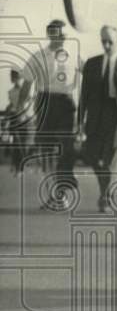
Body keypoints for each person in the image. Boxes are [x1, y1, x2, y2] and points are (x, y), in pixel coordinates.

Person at [21, 19, 81, 209]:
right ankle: (54, 194)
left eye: (65, 34)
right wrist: (20, 109)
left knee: (66, 148)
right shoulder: (38, 56)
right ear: (50, 35)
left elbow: (87, 81)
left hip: (66, 104)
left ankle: (61, 191)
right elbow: (26, 84)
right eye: (59, 34)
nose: (63, 38)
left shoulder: (74, 55)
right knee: (46, 151)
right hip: (45, 103)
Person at [78, 25, 117, 212]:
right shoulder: (92, 63)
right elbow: (84, 94)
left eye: (110, 42)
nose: (106, 45)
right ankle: (105, 192)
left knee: (108, 159)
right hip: (95, 118)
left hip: (116, 118)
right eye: (103, 41)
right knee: (94, 158)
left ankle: (104, 197)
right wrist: (79, 121)